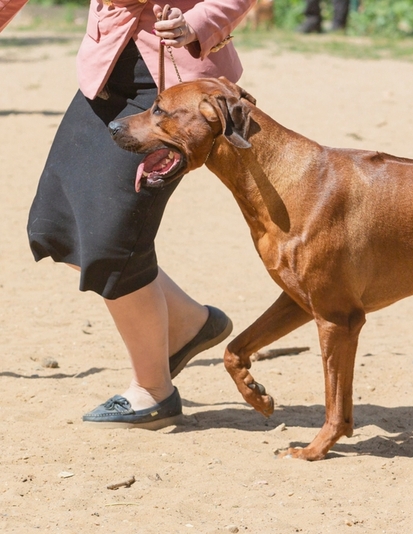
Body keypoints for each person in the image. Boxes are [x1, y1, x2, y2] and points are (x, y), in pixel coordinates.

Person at [0, 0, 255, 429]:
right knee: (57, 224)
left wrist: (196, 23)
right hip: (105, 71)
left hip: (176, 84)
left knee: (110, 239)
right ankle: (192, 322)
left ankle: (153, 392)